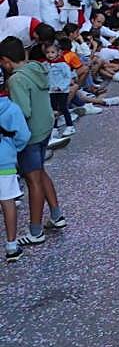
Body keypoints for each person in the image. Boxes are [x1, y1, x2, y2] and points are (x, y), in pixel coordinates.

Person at [0, 36, 65, 248]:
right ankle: (56, 215)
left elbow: (22, 111)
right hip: (44, 127)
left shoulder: (16, 79)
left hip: (29, 135)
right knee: (40, 172)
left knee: (33, 180)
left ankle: (35, 231)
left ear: (6, 60)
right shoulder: (36, 68)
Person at [0, 83, 29, 261]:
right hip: (4, 161)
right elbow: (23, 136)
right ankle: (11, 245)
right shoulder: (11, 108)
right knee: (7, 201)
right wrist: (13, 149)